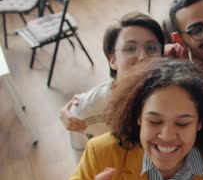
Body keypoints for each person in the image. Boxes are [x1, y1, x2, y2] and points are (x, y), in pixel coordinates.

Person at [58, 58, 203, 180]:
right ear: (138, 117)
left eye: (182, 123)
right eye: (155, 121)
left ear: (199, 123)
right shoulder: (102, 153)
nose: (167, 135)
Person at [59, 12, 165, 148]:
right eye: (130, 48)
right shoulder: (86, 111)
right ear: (113, 60)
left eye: (151, 48)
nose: (143, 56)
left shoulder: (175, 94)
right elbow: (85, 165)